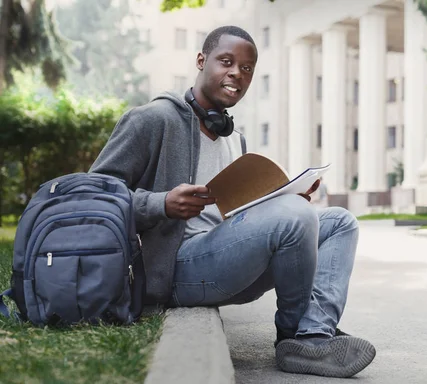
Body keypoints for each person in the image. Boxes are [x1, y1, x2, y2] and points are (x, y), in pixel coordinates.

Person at [89, 25, 375, 378]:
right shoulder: (153, 119)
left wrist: (283, 200)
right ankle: (299, 337)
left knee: (338, 222)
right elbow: (95, 198)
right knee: (295, 215)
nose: (236, 74)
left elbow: (233, 214)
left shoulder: (233, 139)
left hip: (226, 259)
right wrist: (162, 203)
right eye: (226, 61)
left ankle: (311, 333)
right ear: (200, 60)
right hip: (175, 270)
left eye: (247, 68)